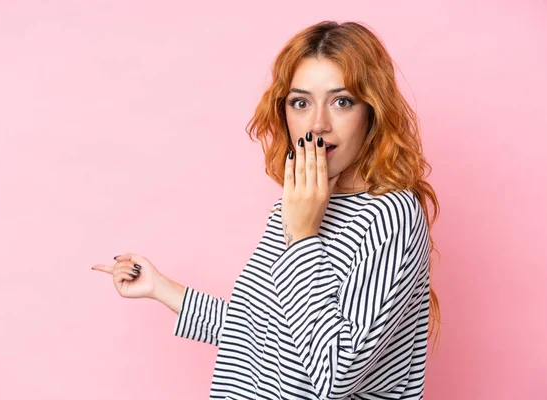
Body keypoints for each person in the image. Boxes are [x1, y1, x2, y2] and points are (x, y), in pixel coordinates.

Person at [92, 20, 441, 400]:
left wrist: (304, 236)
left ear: (371, 111)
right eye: (301, 102)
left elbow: (336, 375)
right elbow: (261, 335)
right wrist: (160, 288)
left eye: (342, 101)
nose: (317, 124)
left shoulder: (391, 214)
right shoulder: (296, 202)